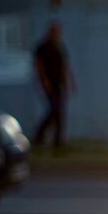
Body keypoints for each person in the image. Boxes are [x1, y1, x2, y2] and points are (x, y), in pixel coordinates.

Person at [33, 21, 75, 149]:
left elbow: (64, 66)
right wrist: (44, 81)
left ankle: (58, 141)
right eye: (55, 31)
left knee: (59, 113)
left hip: (58, 83)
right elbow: (39, 66)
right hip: (49, 84)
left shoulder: (59, 46)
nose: (57, 34)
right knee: (54, 110)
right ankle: (39, 135)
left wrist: (69, 82)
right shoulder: (42, 47)